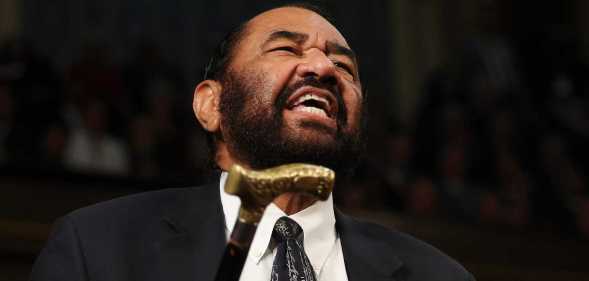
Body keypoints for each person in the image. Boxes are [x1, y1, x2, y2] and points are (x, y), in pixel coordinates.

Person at [31, 3, 475, 281]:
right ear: (211, 106)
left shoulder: (439, 275)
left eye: (345, 66)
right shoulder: (99, 248)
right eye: (286, 49)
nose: (322, 66)